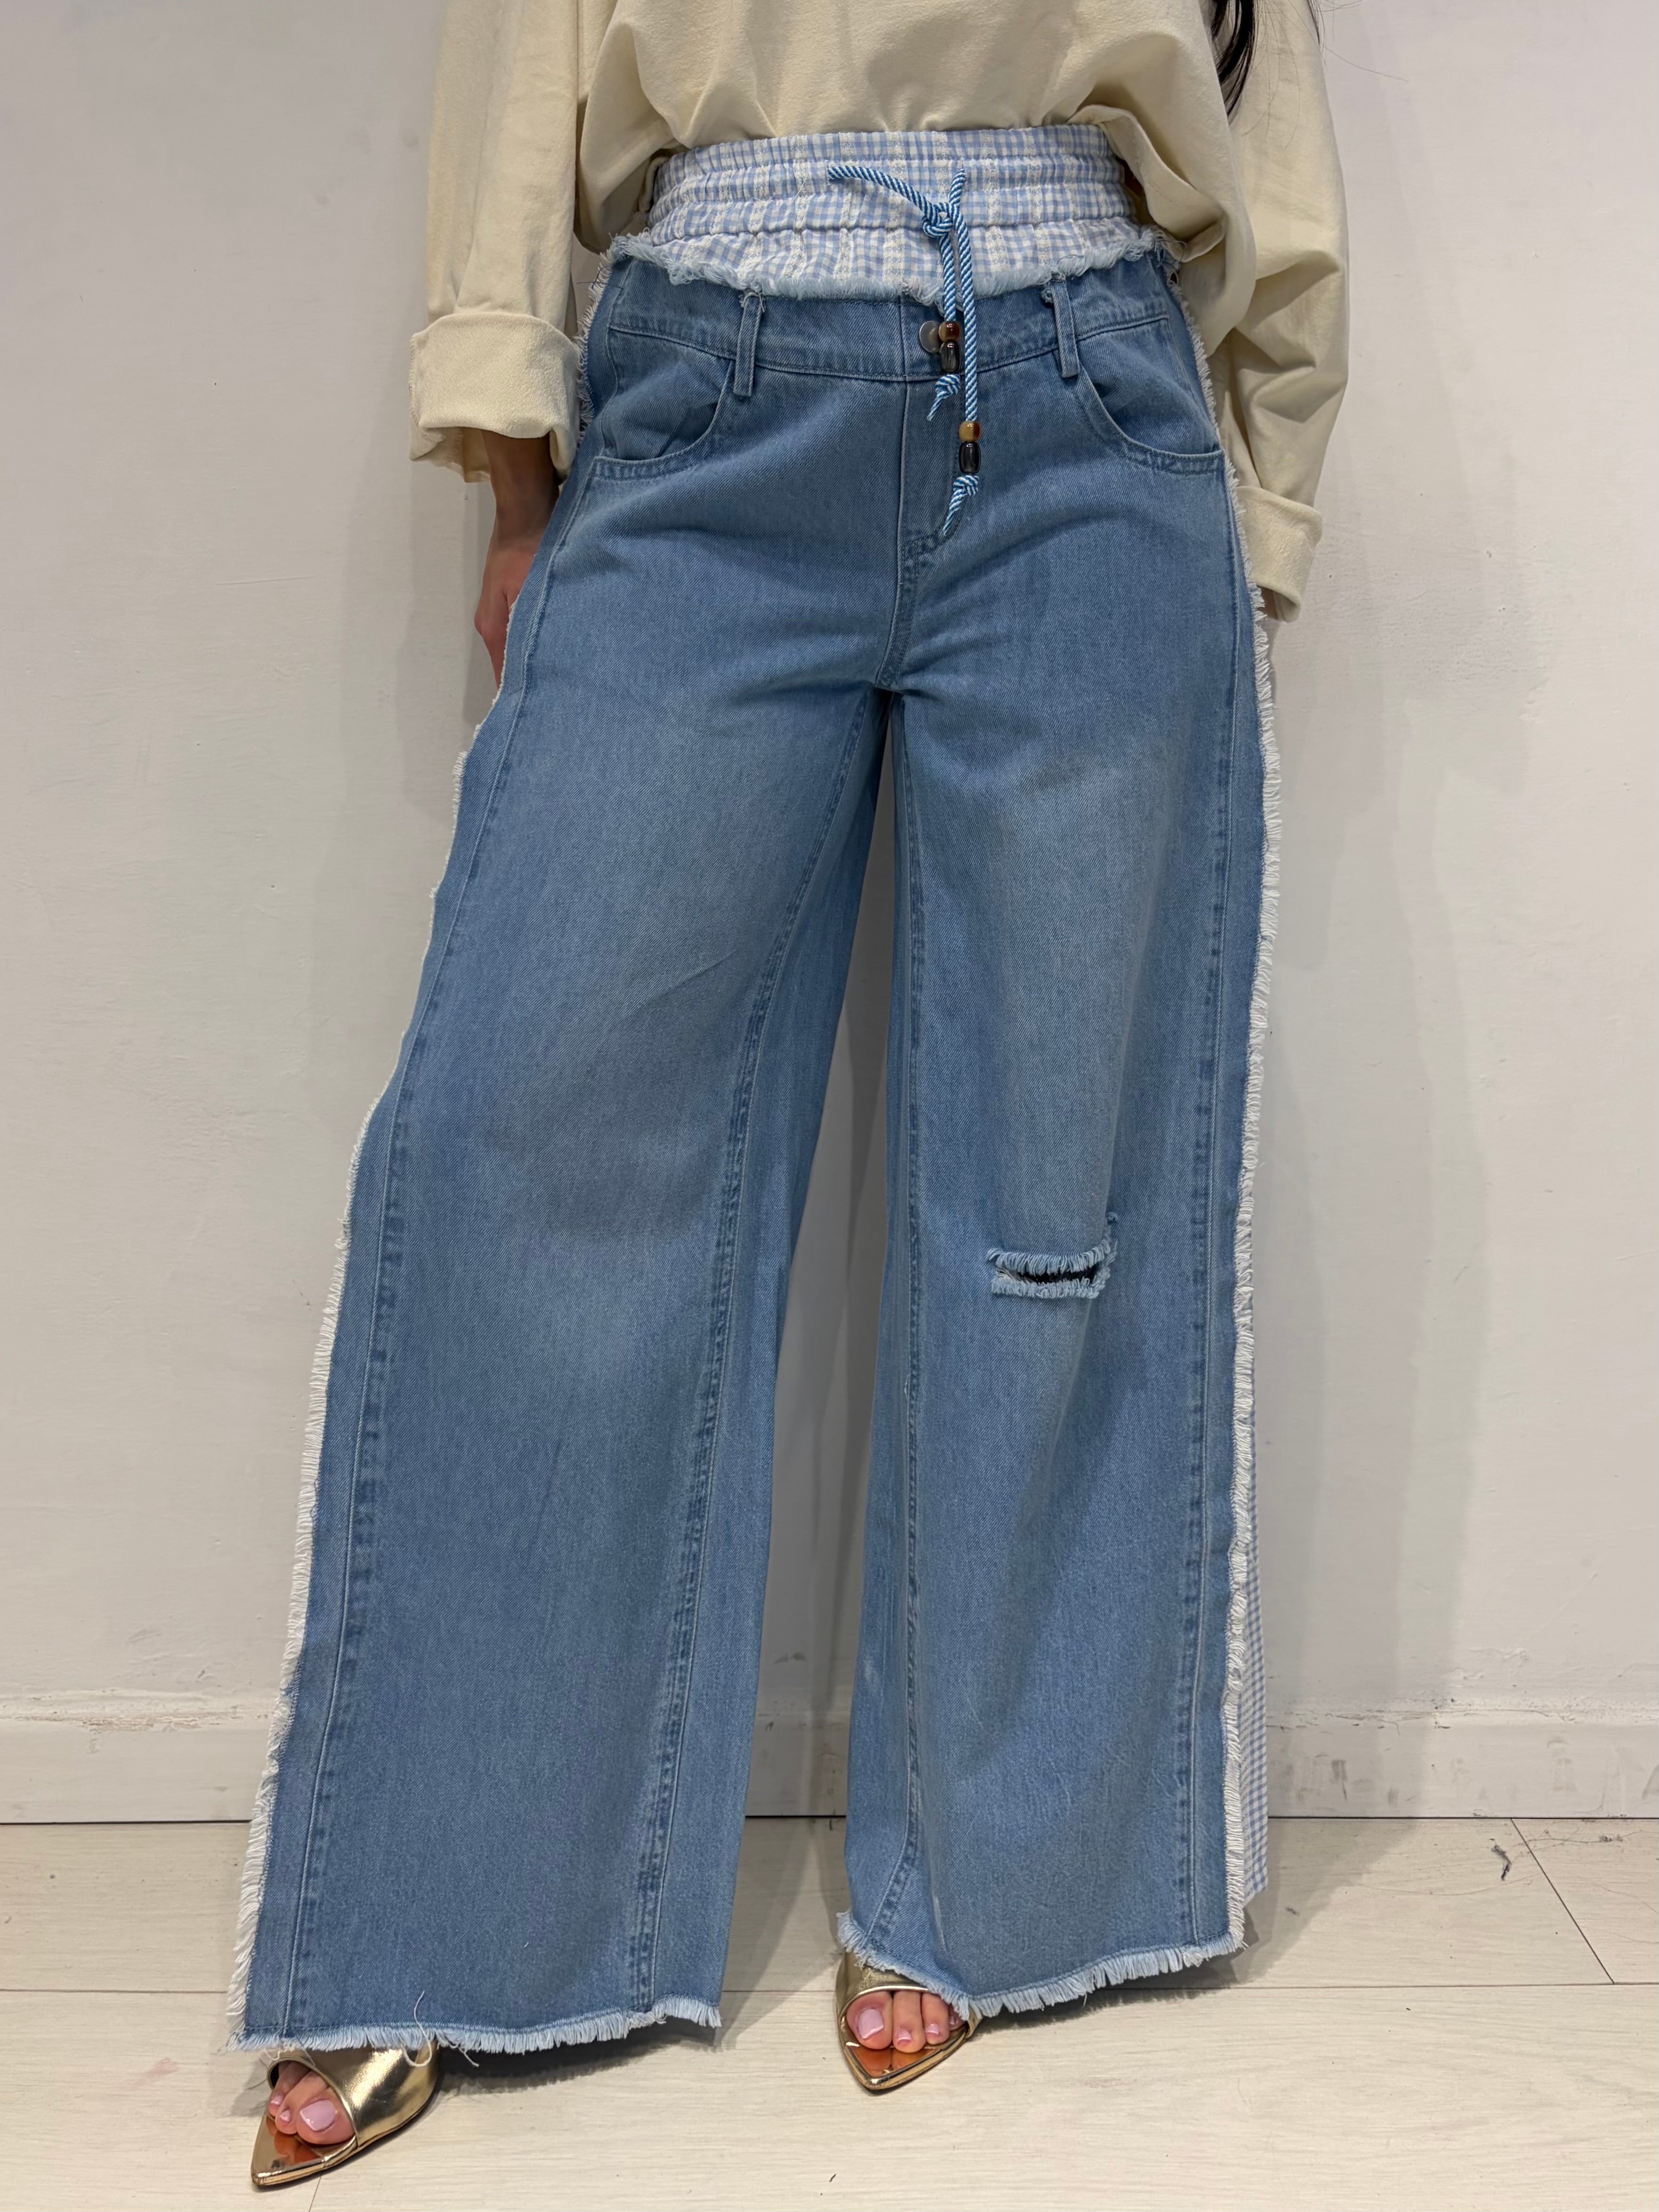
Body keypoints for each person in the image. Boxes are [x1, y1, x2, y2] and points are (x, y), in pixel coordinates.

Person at [232, 0, 1347, 2184]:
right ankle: (453, 1901)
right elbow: (526, 52)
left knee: (1054, 1184)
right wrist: (515, 460)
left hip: (1092, 401)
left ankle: (1002, 1879)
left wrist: (1260, 490)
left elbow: (1264, 90)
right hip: (706, 386)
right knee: (532, 1144)